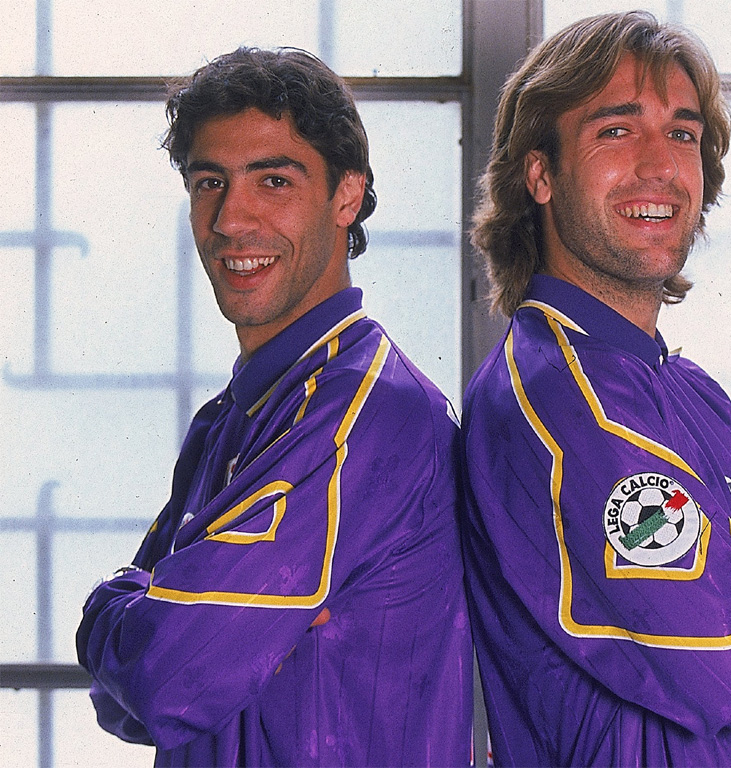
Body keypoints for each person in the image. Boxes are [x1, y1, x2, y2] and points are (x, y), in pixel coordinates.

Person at [461, 11, 731, 767]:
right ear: (539, 173)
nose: (660, 164)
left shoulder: (687, 390)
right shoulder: (562, 399)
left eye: (684, 134)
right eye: (616, 131)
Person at [76, 47, 472, 767]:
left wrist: (118, 604)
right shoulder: (227, 419)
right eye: (209, 183)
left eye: (274, 181)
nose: (232, 219)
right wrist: (165, 625)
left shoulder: (370, 415)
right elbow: (127, 701)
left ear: (346, 197)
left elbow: (164, 675)